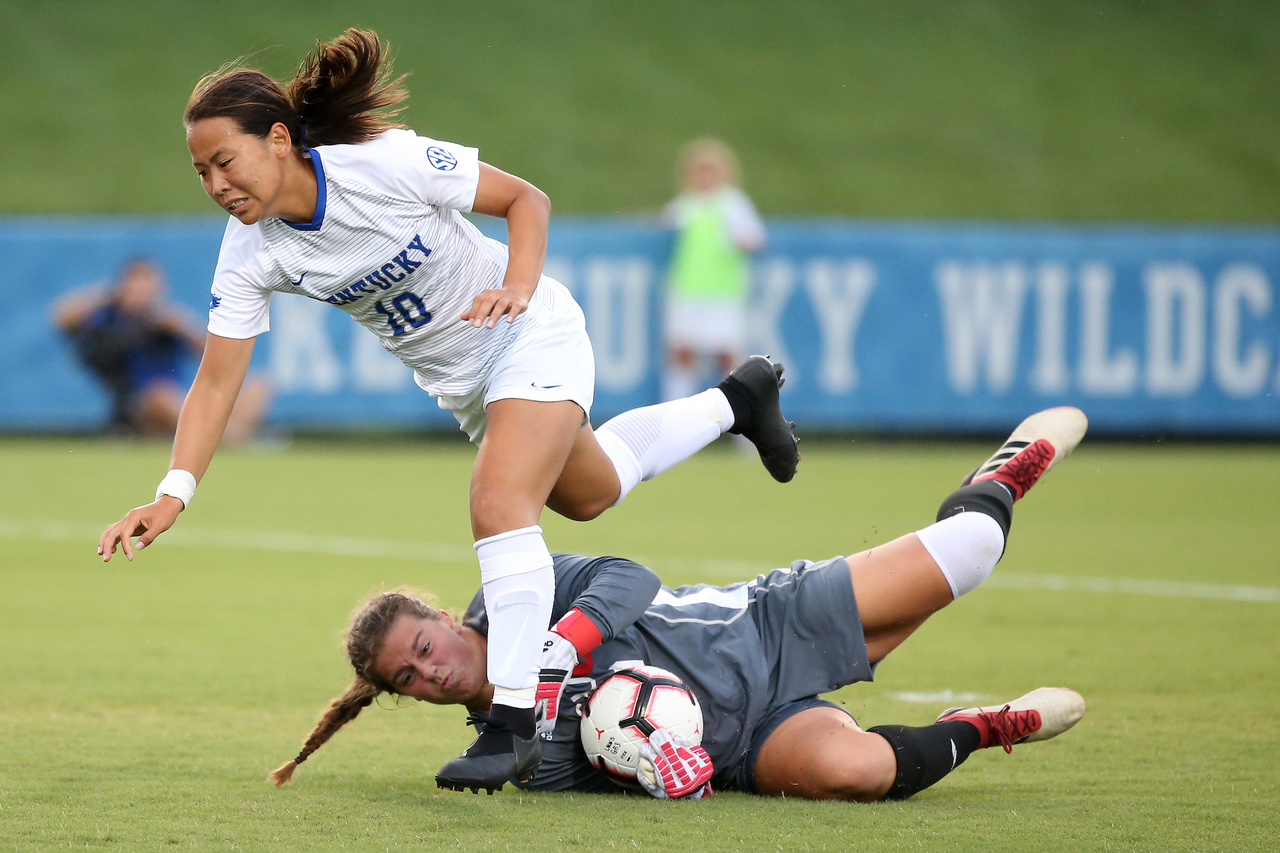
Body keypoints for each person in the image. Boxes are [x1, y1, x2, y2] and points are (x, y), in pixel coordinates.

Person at [95, 29, 800, 792]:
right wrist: (174, 492)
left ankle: (514, 721)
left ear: (275, 140)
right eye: (200, 171)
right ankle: (738, 400)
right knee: (589, 493)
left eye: (223, 161)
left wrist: (520, 286)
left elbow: (525, 199)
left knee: (498, 503)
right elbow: (213, 384)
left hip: (528, 330)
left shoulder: (380, 163)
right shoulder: (251, 250)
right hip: (466, 384)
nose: (215, 183)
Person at [269, 407, 1089, 801]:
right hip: (746, 741)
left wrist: (557, 649)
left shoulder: (515, 585)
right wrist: (661, 767)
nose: (429, 671)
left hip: (768, 624)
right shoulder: (505, 746)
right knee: (861, 771)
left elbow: (631, 579)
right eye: (408, 679)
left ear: (447, 618)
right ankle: (990, 724)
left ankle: (1001, 473)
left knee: (974, 553)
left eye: (422, 645)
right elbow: (585, 770)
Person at [52, 257, 271, 441]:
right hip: (142, 405)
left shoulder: (167, 320)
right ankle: (232, 440)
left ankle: (227, 437)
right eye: (137, 284)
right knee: (160, 396)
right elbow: (62, 316)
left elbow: (210, 353)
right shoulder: (111, 318)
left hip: (183, 397)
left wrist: (180, 325)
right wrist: (110, 295)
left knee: (258, 385)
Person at [662, 139, 766, 403]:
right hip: (687, 290)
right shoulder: (684, 206)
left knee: (726, 355)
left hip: (722, 292)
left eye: (711, 170)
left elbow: (756, 240)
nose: (705, 177)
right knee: (682, 352)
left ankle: (742, 422)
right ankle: (673, 417)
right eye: (700, 170)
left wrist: (742, 240)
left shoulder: (734, 205)